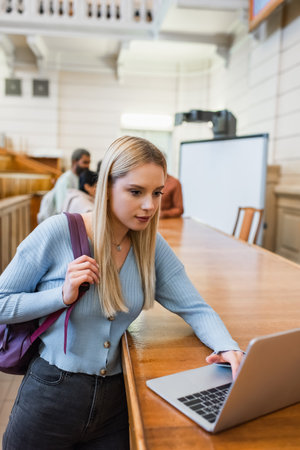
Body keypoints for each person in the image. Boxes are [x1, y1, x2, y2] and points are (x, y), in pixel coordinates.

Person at [0, 136, 243, 449]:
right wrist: (60, 295)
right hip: (52, 393)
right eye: (136, 192)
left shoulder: (150, 246)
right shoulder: (58, 232)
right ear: (107, 186)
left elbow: (195, 307)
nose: (150, 206)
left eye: (157, 193)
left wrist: (227, 346)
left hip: (116, 399)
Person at [54, 148, 91, 213]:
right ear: (74, 162)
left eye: (88, 163)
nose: (87, 166)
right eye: (85, 162)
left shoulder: (81, 178)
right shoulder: (65, 180)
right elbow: (62, 209)